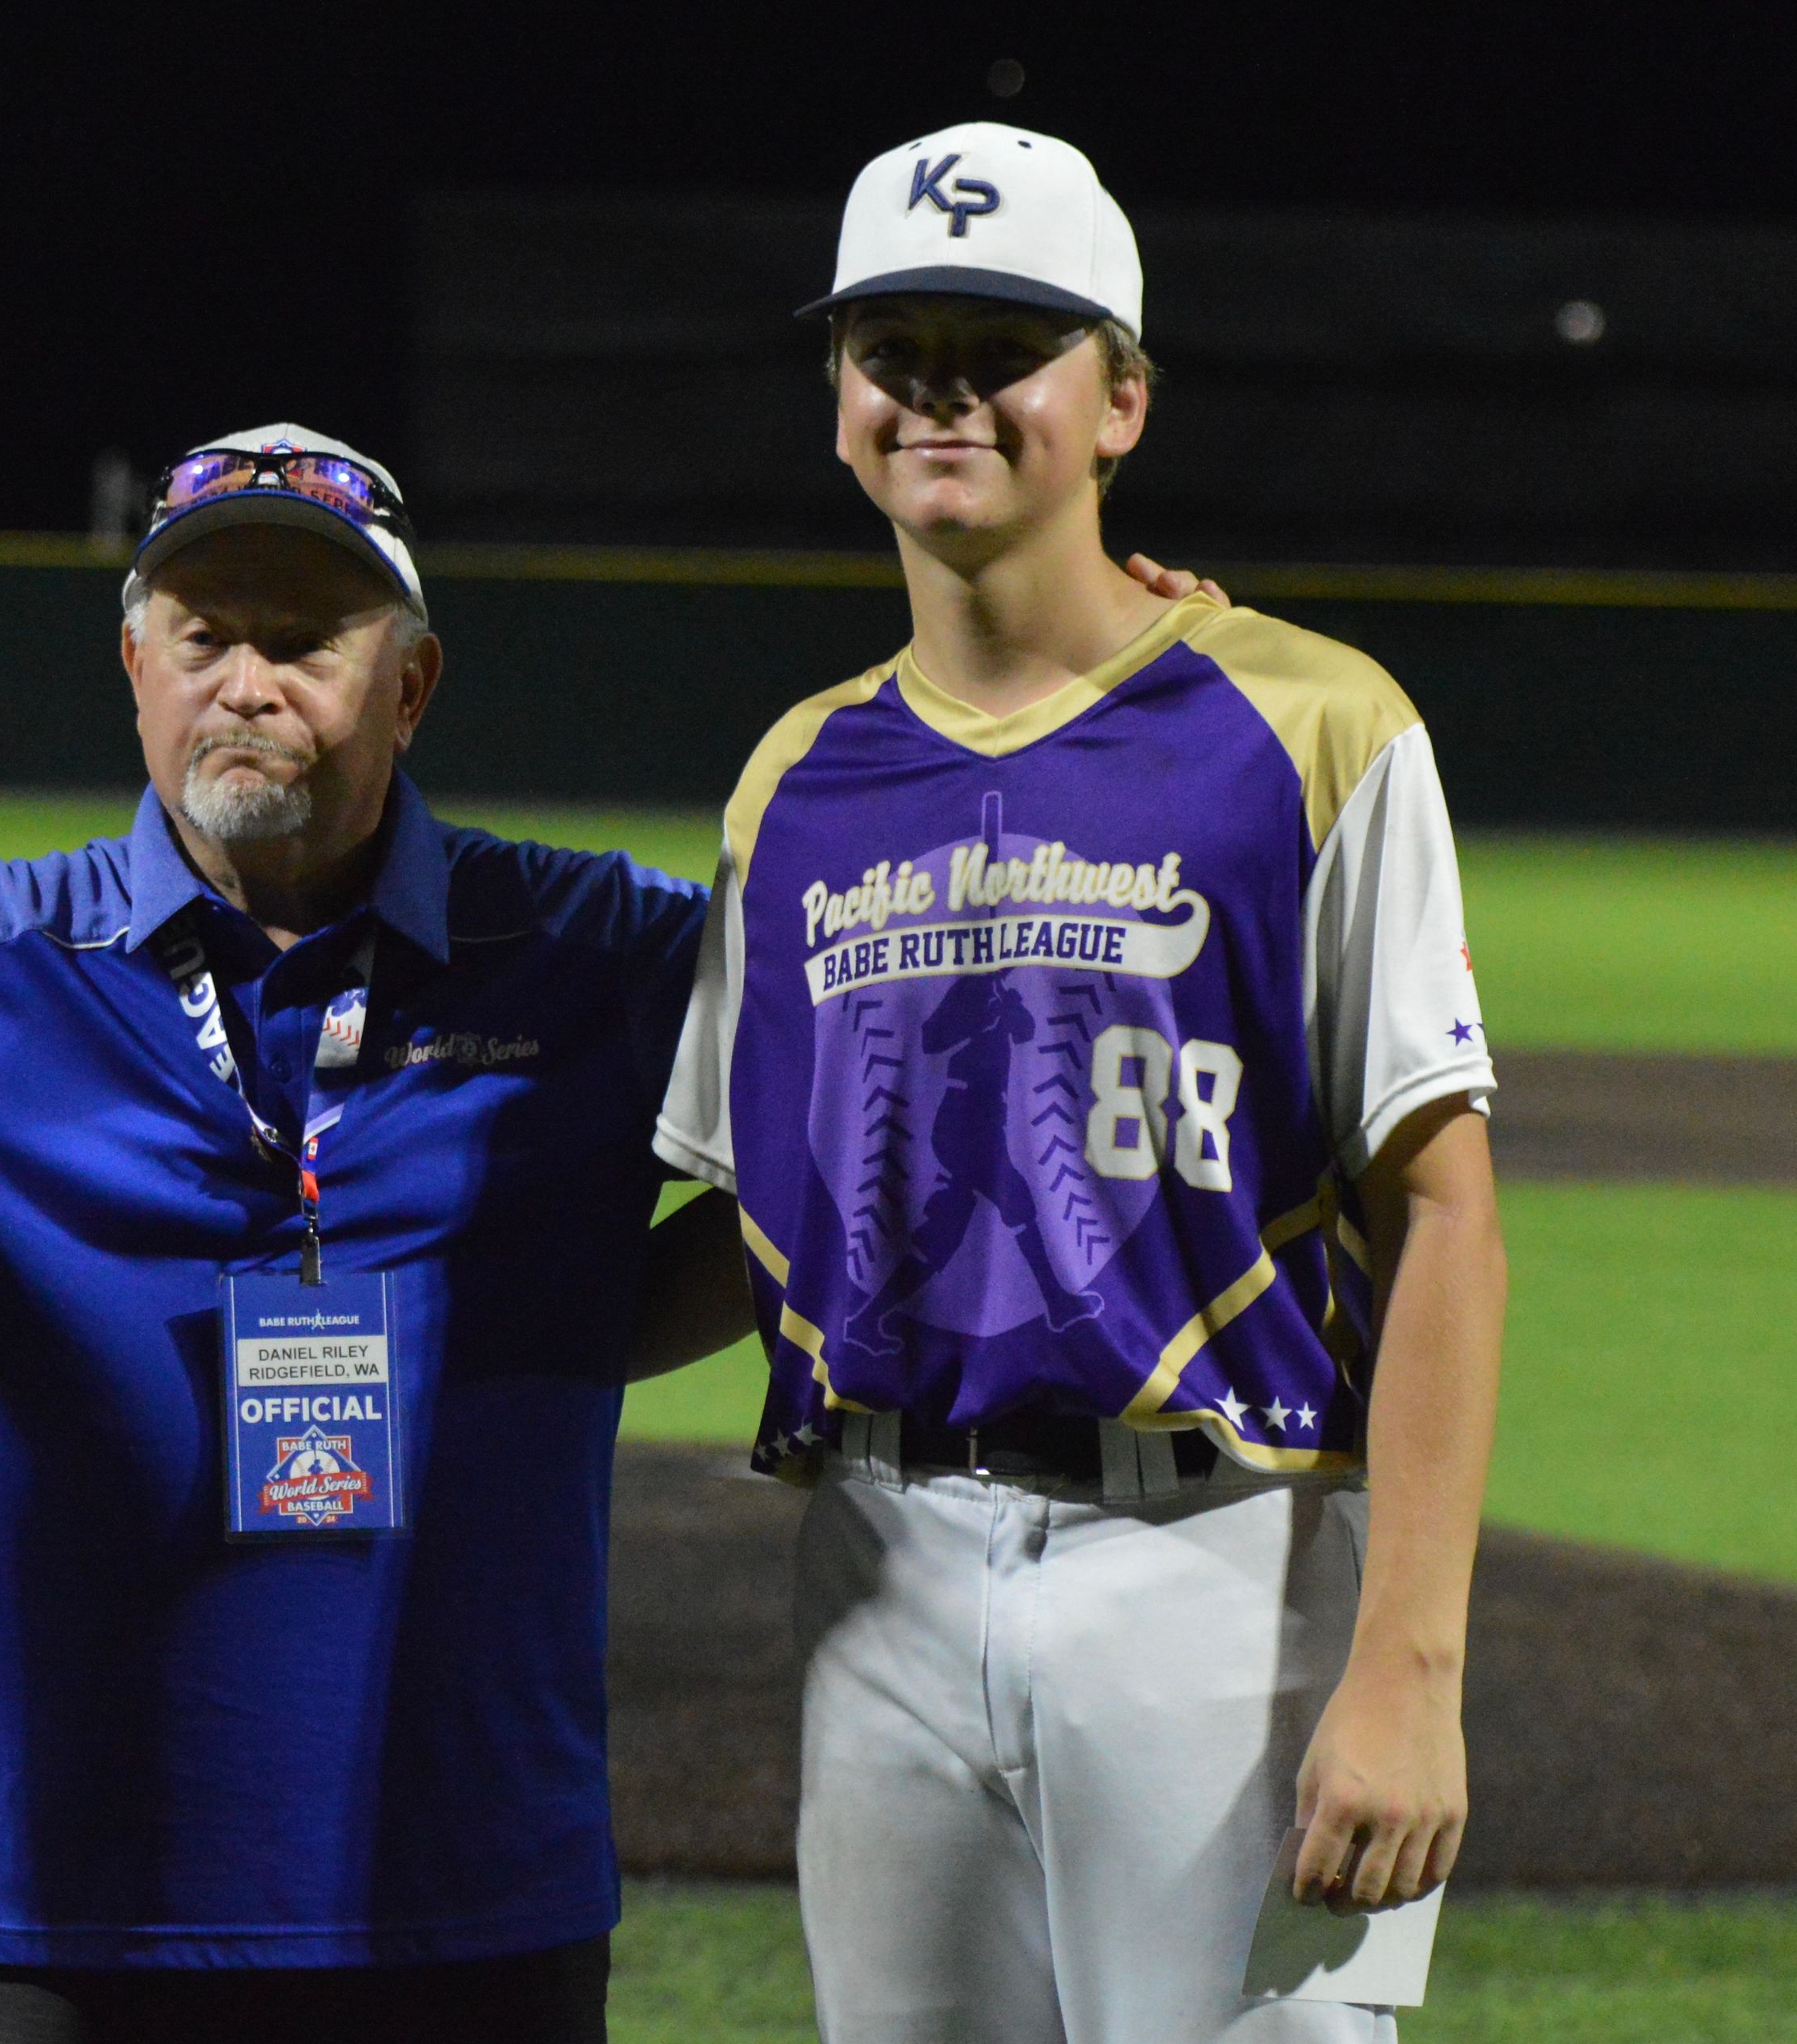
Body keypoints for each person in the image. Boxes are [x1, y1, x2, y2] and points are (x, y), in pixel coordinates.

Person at [645, 123, 1508, 2042]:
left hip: (1217, 1549)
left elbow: (1440, 1207)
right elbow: (756, 1223)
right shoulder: (797, 777)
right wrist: (432, 1298)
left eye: (1003, 344)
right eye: (896, 348)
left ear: (1119, 399)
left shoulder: (1312, 722)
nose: (940, 391)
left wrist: (1411, 1666)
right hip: (876, 1563)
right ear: (842, 406)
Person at [0, 425, 708, 2042]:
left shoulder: (592, 949)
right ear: (136, 664)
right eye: (206, 635)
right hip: (93, 1918)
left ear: (410, 683)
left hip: (482, 1901)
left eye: (308, 638)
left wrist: (575, 1316)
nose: (248, 679)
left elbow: (881, 1100)